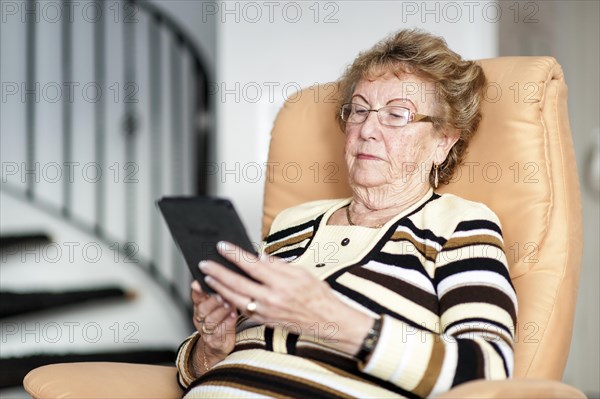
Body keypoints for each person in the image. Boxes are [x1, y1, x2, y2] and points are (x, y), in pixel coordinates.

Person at [175, 29, 517, 399]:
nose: (367, 129)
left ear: (443, 141)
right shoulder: (292, 222)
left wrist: (331, 320)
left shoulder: (458, 224)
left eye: (397, 115)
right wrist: (211, 347)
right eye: (359, 110)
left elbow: (489, 372)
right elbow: (200, 372)